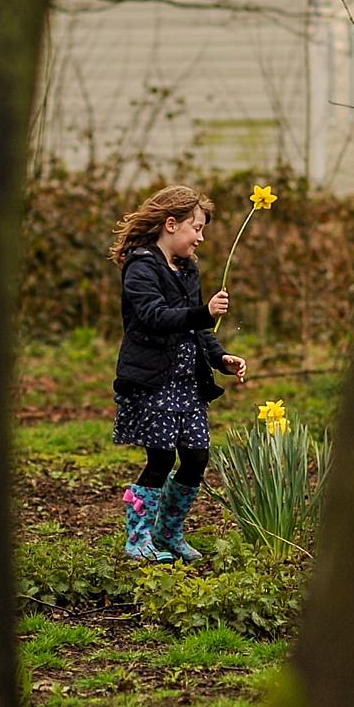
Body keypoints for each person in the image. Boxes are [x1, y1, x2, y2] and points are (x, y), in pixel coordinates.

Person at [108, 185, 248, 562]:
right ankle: (138, 539)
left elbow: (199, 330)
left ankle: (168, 533)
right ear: (171, 224)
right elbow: (154, 316)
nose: (200, 238)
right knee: (160, 460)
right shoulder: (141, 266)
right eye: (196, 228)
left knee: (196, 458)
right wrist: (204, 312)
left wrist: (221, 359)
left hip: (187, 384)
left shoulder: (188, 269)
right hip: (154, 382)